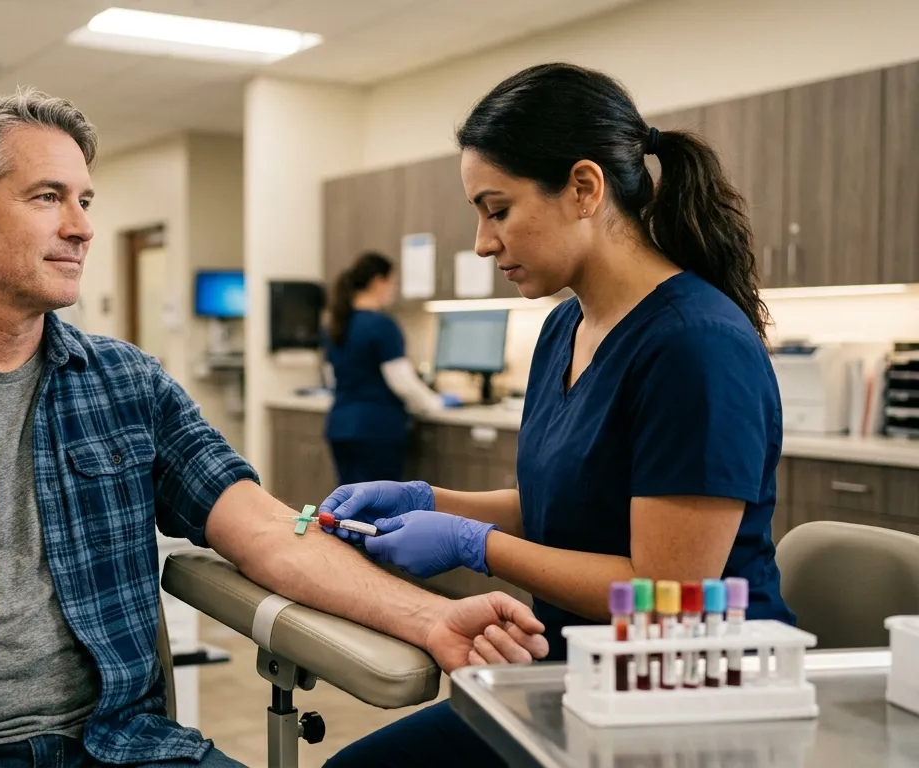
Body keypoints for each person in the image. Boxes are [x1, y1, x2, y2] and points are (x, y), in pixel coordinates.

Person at [0, 87, 550, 768]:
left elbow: (268, 531)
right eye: (47, 197)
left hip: (123, 745)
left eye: (85, 199)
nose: (83, 226)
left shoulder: (129, 385)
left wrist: (432, 617)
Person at [320, 62, 795, 766]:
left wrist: (470, 546)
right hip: (573, 676)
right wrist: (427, 500)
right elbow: (570, 501)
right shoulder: (563, 330)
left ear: (583, 187)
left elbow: (665, 595)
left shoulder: (695, 347)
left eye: (497, 209)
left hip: (687, 697)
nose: (483, 242)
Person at [323, 253, 458, 485]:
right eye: (392, 283)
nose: (392, 290)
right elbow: (402, 381)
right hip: (375, 430)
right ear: (378, 281)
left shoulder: (335, 324)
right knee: (378, 504)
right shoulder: (381, 325)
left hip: (340, 426)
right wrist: (435, 403)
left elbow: (330, 378)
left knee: (348, 502)